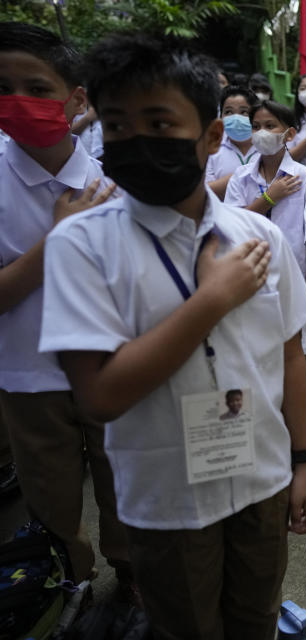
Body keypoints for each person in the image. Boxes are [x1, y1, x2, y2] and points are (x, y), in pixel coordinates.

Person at [39, 33, 306, 637]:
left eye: (159, 122)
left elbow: (291, 356)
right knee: (187, 628)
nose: (135, 139)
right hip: (168, 500)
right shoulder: (81, 244)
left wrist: (305, 462)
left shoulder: (257, 237)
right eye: (116, 126)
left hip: (261, 481)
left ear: (213, 137)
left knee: (256, 621)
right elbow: (100, 395)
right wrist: (210, 300)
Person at [0, 21, 130, 593]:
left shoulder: (116, 183)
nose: (19, 102)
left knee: (124, 487)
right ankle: (67, 586)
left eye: (36, 87)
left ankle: (133, 578)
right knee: (51, 501)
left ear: (77, 100)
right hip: (28, 378)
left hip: (112, 371)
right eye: (4, 87)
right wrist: (57, 241)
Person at [225, 100, 306, 389]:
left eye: (270, 126)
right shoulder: (241, 178)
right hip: (251, 274)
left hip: (297, 277)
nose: (262, 132)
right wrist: (269, 198)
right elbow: (231, 224)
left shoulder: (305, 178)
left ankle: (303, 410)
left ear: (289, 134)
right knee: (259, 349)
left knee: (304, 350)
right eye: (256, 127)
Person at [206, 85, 259, 200]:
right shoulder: (211, 149)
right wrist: (244, 173)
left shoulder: (269, 147)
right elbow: (205, 192)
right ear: (220, 116)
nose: (236, 118)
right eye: (228, 112)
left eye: (244, 112)